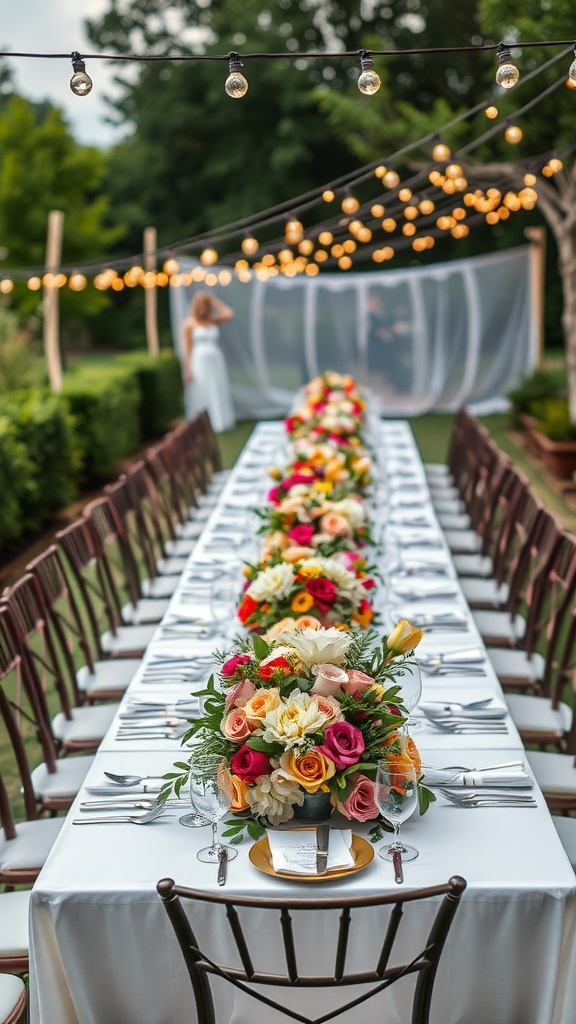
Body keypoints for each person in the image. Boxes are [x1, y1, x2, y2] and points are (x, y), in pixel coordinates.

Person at [182, 291, 236, 432]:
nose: (204, 308)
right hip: (199, 362)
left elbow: (229, 314)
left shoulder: (211, 320)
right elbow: (187, 349)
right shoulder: (189, 323)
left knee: (216, 388)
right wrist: (187, 369)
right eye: (202, 305)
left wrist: (214, 302)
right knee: (202, 389)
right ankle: (202, 423)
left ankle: (219, 419)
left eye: (206, 305)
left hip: (215, 361)